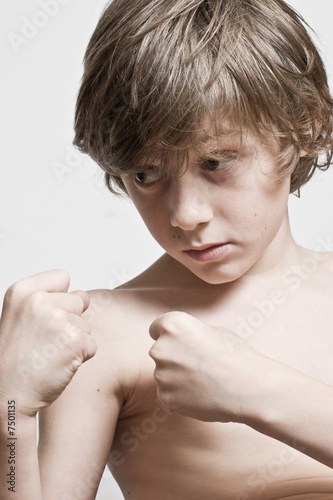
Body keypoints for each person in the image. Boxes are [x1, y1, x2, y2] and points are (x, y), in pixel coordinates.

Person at [1, 0, 333, 498]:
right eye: (145, 174)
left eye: (216, 162)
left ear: (304, 126)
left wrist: (262, 392)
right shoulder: (99, 337)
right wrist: (10, 410)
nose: (185, 214)